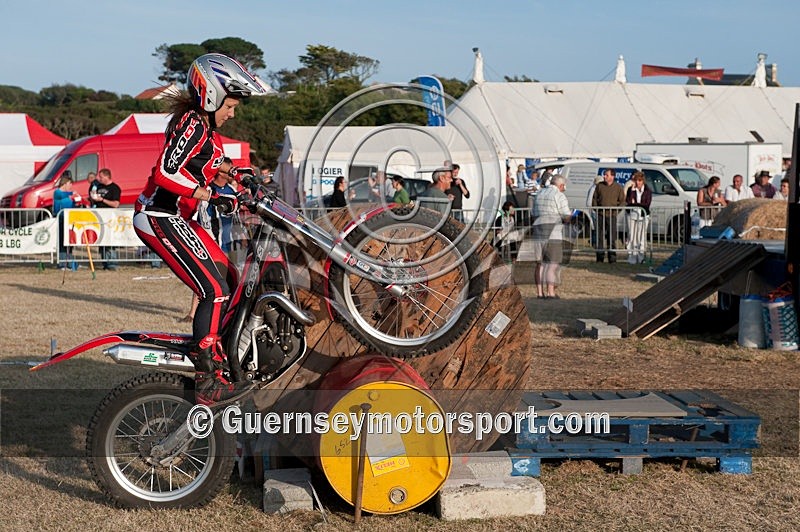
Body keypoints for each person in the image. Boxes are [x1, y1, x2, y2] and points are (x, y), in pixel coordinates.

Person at [133, 53, 267, 404]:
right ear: (212, 94)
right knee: (215, 289)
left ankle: (223, 354)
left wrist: (242, 178)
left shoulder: (204, 130)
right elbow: (165, 172)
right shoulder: (191, 123)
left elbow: (214, 163)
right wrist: (207, 194)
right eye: (231, 105)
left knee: (230, 277)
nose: (232, 112)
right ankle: (207, 375)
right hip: (159, 216)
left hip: (179, 219)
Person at [531, 175, 573, 298]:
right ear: (560, 185)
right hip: (553, 233)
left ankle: (539, 292)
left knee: (540, 264)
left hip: (538, 232)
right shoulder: (559, 196)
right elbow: (566, 215)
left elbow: (533, 213)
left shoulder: (539, 193)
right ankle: (550, 292)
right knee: (552, 264)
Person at [89, 168, 121, 270]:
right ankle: (104, 263)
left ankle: (112, 263)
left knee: (110, 241)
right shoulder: (98, 186)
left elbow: (116, 204)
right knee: (101, 240)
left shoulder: (115, 188)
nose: (100, 179)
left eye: (101, 177)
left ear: (107, 176)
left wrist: (102, 199)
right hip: (99, 217)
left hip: (110, 218)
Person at [591, 168, 625, 263]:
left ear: (612, 176)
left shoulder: (618, 187)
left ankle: (612, 258)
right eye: (604, 175)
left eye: (607, 175)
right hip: (600, 215)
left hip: (611, 215)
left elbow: (622, 201)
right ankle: (600, 257)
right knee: (599, 237)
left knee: (612, 237)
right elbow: (594, 199)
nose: (605, 177)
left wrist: (616, 211)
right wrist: (596, 209)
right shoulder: (599, 186)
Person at [53, 173, 80, 268]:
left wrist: (76, 204)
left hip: (69, 219)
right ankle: (62, 263)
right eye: (70, 184)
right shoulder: (58, 192)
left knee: (69, 241)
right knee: (62, 242)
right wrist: (72, 193)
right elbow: (60, 195)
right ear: (65, 183)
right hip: (61, 218)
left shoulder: (68, 196)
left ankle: (69, 262)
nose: (71, 186)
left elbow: (71, 205)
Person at [624, 171, 652, 265]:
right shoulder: (630, 190)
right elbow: (629, 202)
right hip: (632, 215)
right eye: (636, 180)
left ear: (643, 181)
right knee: (632, 236)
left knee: (641, 236)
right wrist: (632, 191)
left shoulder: (647, 190)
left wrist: (636, 204)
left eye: (640, 180)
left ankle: (641, 257)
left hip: (643, 216)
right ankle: (632, 256)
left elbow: (646, 204)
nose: (638, 183)